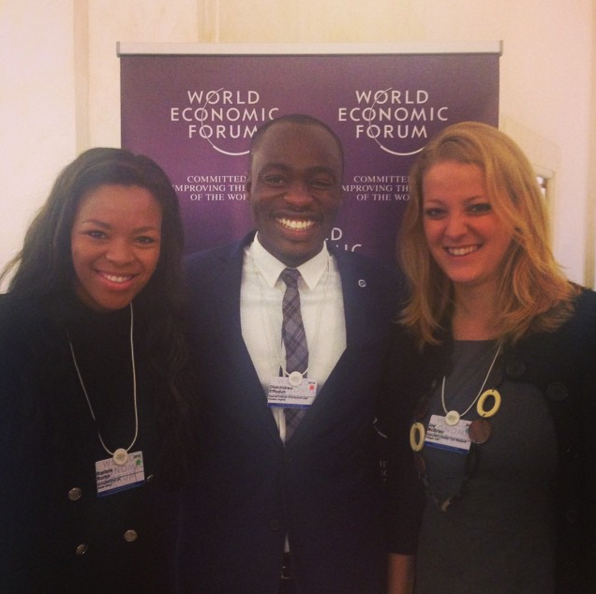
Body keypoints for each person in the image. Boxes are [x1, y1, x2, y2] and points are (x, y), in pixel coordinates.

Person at [178, 114, 404, 594]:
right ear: (248, 186)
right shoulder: (188, 286)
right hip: (220, 569)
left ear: (340, 192)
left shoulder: (385, 293)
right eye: (276, 178)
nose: (298, 198)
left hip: (344, 573)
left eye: (319, 182)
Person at [383, 121, 596, 594]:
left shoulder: (582, 332)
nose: (454, 229)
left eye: (478, 207)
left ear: (520, 210)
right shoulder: (416, 338)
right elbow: (404, 494)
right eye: (436, 212)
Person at [0, 148, 194, 593]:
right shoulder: (12, 331)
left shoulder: (166, 331)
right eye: (97, 233)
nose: (121, 256)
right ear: (61, 233)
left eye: (143, 239)